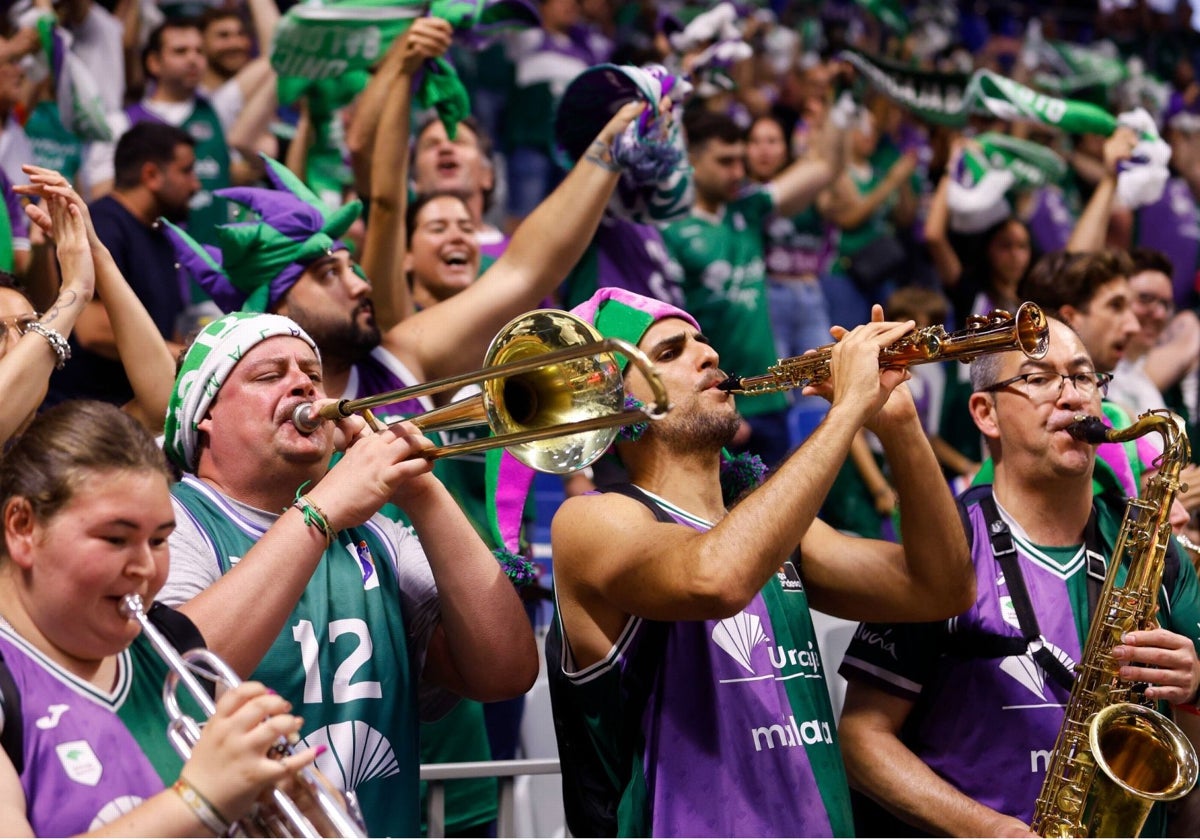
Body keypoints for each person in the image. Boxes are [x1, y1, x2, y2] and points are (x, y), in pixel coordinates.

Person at [545, 287, 975, 837]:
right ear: (614, 403)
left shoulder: (766, 521)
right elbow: (716, 579)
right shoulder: (593, 521)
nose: (710, 355)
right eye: (672, 353)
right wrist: (846, 413)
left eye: (705, 342)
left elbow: (940, 590)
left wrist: (899, 426)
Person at [156, 311, 538, 838]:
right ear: (205, 416)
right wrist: (323, 509)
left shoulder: (377, 533)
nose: (304, 385)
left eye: (312, 373)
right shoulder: (170, 524)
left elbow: (506, 672)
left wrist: (421, 491)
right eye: (270, 375)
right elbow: (178, 670)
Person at [837, 317, 1200, 836]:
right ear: (985, 413)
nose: (1071, 395)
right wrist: (991, 829)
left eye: (1083, 377)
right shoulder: (945, 546)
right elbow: (861, 738)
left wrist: (1194, 685)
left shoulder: (1154, 547)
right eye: (1039, 378)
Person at [0, 400, 321, 836]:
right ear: (22, 526)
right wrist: (198, 800)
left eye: (158, 541)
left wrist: (304, 804)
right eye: (116, 538)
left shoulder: (174, 645)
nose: (147, 570)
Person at [662, 106, 844, 467]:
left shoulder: (745, 209)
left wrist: (839, 107)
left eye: (741, 161)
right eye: (726, 161)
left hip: (769, 396)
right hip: (718, 401)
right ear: (691, 162)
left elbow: (823, 169)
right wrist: (712, 399)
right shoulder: (669, 232)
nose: (739, 172)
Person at [44, 122, 197, 409]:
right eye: (186, 171)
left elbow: (167, 330)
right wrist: (196, 357)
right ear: (151, 174)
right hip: (85, 415)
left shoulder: (160, 236)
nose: (196, 184)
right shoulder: (101, 226)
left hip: (136, 411)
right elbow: (92, 330)